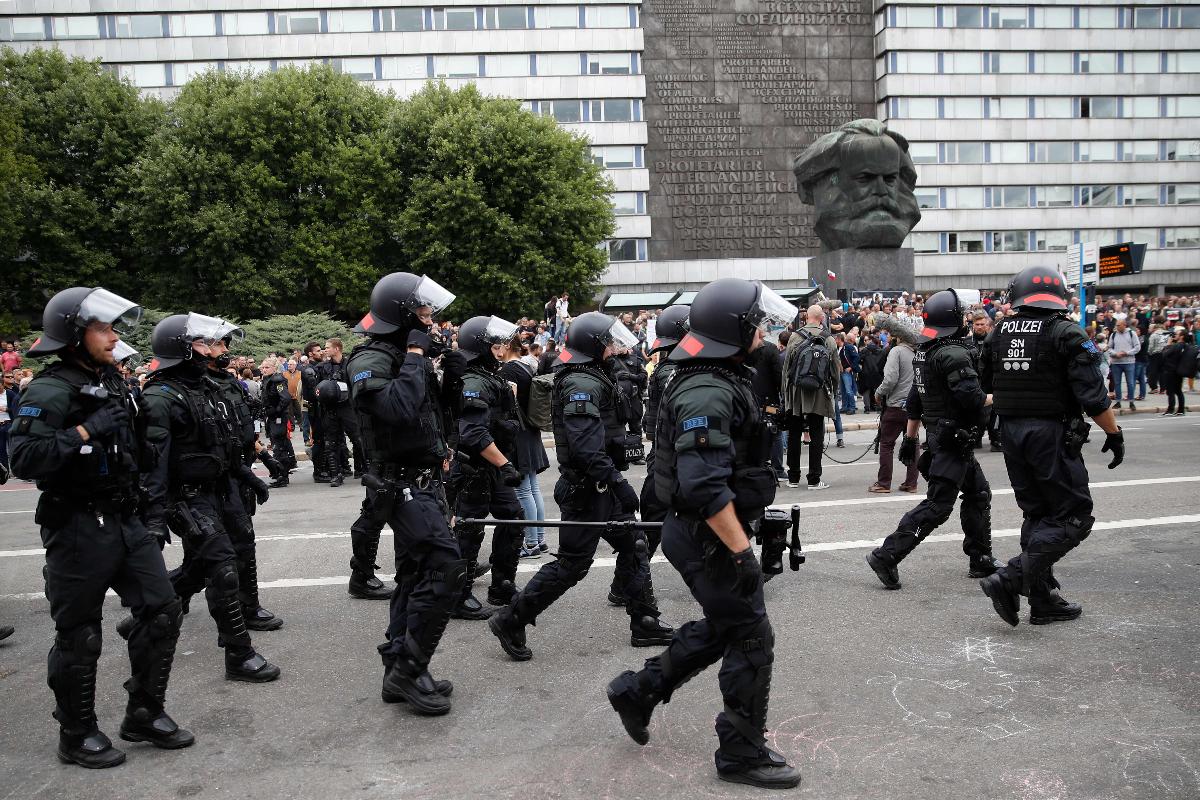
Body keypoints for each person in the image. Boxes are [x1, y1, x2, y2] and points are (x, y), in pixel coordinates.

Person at [605, 278, 801, 789]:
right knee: (753, 636)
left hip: (703, 532)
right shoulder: (707, 389)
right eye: (756, 321)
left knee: (726, 625)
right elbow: (703, 485)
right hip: (705, 536)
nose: (763, 329)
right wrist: (741, 552)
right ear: (734, 330)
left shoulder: (718, 374)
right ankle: (739, 750)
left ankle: (638, 689)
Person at [11, 287, 194, 768]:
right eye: (103, 329)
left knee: (162, 610)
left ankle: (144, 712)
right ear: (75, 334)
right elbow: (24, 459)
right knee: (80, 633)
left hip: (125, 516)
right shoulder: (50, 388)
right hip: (76, 524)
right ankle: (76, 733)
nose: (114, 338)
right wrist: (85, 431)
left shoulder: (111, 381)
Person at [488, 312, 674, 661]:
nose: (616, 347)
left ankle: (645, 621)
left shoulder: (593, 376)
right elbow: (586, 449)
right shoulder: (581, 385)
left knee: (634, 544)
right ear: (594, 345)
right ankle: (511, 619)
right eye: (609, 342)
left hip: (600, 486)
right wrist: (618, 482)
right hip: (589, 489)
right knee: (573, 564)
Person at [978, 266, 1126, 626]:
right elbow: (1093, 397)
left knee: (1038, 514)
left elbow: (985, 384)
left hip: (1012, 433)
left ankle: (1042, 601)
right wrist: (1114, 433)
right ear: (1059, 296)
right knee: (1074, 516)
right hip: (1050, 434)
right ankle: (1011, 579)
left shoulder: (998, 334)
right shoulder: (1067, 333)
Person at [346, 272, 465, 714]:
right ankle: (409, 668)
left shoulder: (405, 355)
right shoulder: (370, 360)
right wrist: (417, 353)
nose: (430, 318)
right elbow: (396, 409)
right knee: (447, 568)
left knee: (416, 575)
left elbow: (429, 415)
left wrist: (449, 369)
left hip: (425, 479)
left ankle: (400, 666)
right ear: (402, 314)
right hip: (398, 484)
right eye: (422, 311)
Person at [141, 314, 282, 682]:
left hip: (221, 488)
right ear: (182, 348)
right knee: (221, 568)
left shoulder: (206, 388)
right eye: (204, 344)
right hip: (188, 498)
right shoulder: (159, 397)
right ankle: (239, 653)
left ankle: (149, 612)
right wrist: (154, 518)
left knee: (225, 558)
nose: (214, 351)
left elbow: (224, 445)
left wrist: (248, 475)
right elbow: (152, 465)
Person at [866, 289, 1000, 590]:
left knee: (979, 494)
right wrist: (1004, 397)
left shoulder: (925, 352)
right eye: (963, 317)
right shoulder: (951, 353)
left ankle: (980, 558)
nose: (968, 321)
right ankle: (887, 555)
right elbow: (972, 399)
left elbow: (916, 399)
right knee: (938, 507)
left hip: (947, 438)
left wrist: (911, 439)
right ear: (954, 320)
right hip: (953, 440)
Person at [200, 319, 282, 632]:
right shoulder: (196, 385)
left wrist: (264, 456)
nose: (226, 351)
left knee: (243, 543)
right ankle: (164, 602)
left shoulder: (229, 382)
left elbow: (241, 429)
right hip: (211, 481)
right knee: (210, 557)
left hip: (237, 472)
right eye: (220, 344)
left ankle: (248, 606)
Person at [445, 316, 527, 619]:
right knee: (469, 530)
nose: (503, 348)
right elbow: (473, 434)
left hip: (492, 468)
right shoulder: (475, 381)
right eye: (496, 343)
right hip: (475, 470)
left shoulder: (488, 376)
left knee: (513, 519)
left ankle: (502, 585)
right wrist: (505, 464)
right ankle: (458, 596)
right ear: (481, 347)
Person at [499, 338, 550, 558]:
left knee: (523, 490)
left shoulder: (509, 370)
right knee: (532, 488)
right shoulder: (525, 366)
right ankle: (538, 539)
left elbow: (508, 403)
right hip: (530, 430)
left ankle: (530, 544)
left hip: (518, 433)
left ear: (507, 346)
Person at [781, 305, 839, 490]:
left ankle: (793, 477)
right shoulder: (828, 339)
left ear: (806, 317)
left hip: (796, 392)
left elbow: (786, 369)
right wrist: (834, 392)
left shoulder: (795, 337)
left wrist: (784, 393)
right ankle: (814, 479)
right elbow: (835, 370)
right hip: (818, 392)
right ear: (821, 318)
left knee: (794, 434)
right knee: (816, 435)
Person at [869, 315, 919, 493]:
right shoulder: (917, 353)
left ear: (898, 336)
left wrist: (878, 392)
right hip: (913, 407)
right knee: (912, 443)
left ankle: (883, 483)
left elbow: (890, 379)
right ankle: (911, 483)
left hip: (896, 406)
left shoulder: (896, 352)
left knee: (887, 444)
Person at [259, 359, 296, 487]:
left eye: (267, 367)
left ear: (274, 368)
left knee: (279, 446)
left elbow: (285, 397)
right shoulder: (267, 380)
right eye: (262, 367)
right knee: (278, 443)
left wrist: (277, 410)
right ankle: (281, 472)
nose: (264, 370)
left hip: (278, 417)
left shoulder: (277, 380)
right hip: (271, 417)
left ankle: (282, 475)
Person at [1107, 318, 1140, 411]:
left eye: (1118, 325)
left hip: (1129, 362)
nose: (1117, 327)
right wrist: (1115, 353)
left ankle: (1131, 401)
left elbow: (1137, 347)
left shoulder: (1131, 334)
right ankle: (1118, 402)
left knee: (1130, 383)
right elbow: (1109, 348)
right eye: (1116, 325)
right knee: (1117, 383)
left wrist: (1127, 353)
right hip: (1116, 362)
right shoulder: (1113, 335)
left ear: (1124, 325)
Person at [1160, 327, 1193, 415]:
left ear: (1181, 337)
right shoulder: (1186, 345)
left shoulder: (1176, 346)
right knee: (1178, 391)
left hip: (1171, 371)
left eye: (1177, 334)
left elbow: (1164, 354)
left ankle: (1170, 409)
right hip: (1179, 371)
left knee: (1170, 391)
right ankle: (1181, 410)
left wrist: (1168, 344)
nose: (1175, 335)